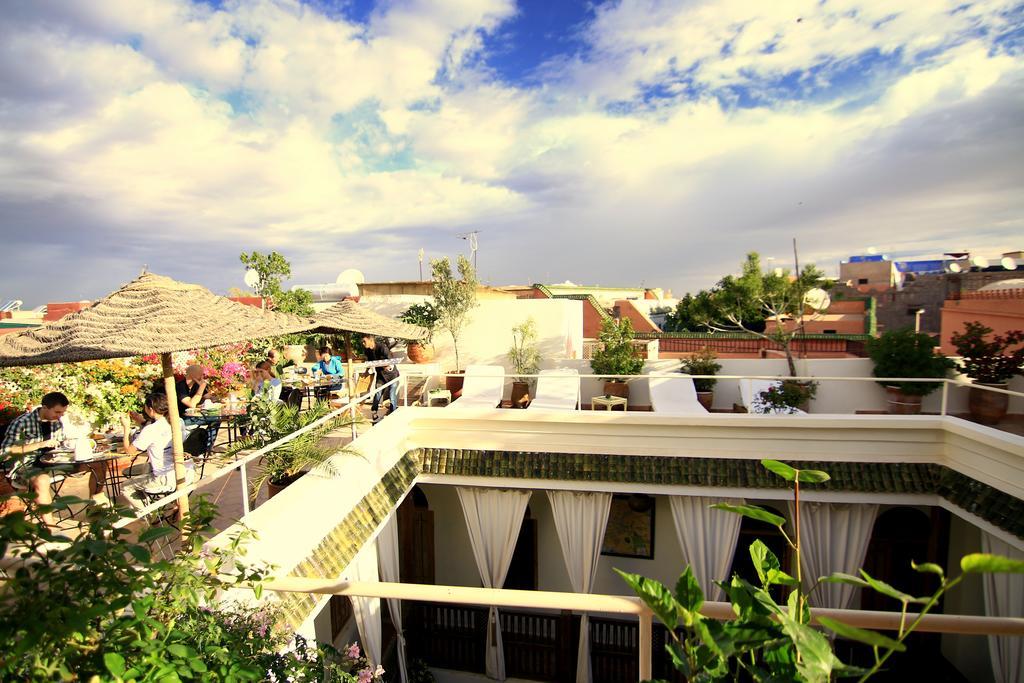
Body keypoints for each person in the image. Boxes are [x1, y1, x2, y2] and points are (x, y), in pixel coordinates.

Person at [0, 392, 70, 525]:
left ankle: (96, 508)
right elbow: (6, 451)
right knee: (42, 480)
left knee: (95, 465)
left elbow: (60, 444)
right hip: (25, 465)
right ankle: (50, 527)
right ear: (44, 407)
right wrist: (40, 444)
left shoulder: (57, 423)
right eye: (57, 412)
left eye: (62, 413)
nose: (60, 416)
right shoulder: (22, 423)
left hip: (51, 462)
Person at [119, 392, 196, 511]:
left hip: (165, 477)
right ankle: (170, 505)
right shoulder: (178, 421)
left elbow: (129, 451)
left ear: (150, 409)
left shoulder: (150, 430)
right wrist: (143, 422)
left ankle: (150, 513)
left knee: (125, 486)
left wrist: (126, 428)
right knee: (145, 468)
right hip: (187, 473)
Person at [362, 334, 400, 422]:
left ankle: (393, 413)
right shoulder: (367, 350)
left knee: (392, 394)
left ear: (371, 340)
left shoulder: (382, 347)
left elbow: (390, 361)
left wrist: (385, 366)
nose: (363, 343)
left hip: (392, 374)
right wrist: (366, 371)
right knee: (378, 393)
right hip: (380, 375)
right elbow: (369, 362)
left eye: (365, 341)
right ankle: (374, 412)